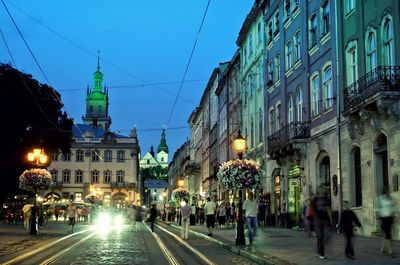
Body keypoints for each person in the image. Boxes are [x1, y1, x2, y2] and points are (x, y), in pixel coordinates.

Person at [313, 185, 333, 260]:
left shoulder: (326, 199)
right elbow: (313, 211)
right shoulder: (315, 199)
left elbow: (328, 209)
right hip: (318, 220)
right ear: (319, 190)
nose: (323, 190)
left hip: (325, 220)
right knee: (320, 237)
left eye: (324, 189)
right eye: (321, 188)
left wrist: (331, 220)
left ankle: (318, 248)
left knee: (327, 236)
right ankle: (321, 253)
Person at [377, 187, 396, 258]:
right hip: (384, 218)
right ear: (384, 191)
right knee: (388, 234)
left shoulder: (390, 198)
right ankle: (390, 251)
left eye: (389, 191)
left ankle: (382, 249)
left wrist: (393, 214)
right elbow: (378, 209)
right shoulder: (380, 199)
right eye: (387, 191)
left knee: (387, 234)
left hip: (390, 218)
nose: (388, 192)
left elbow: (393, 206)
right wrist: (379, 219)